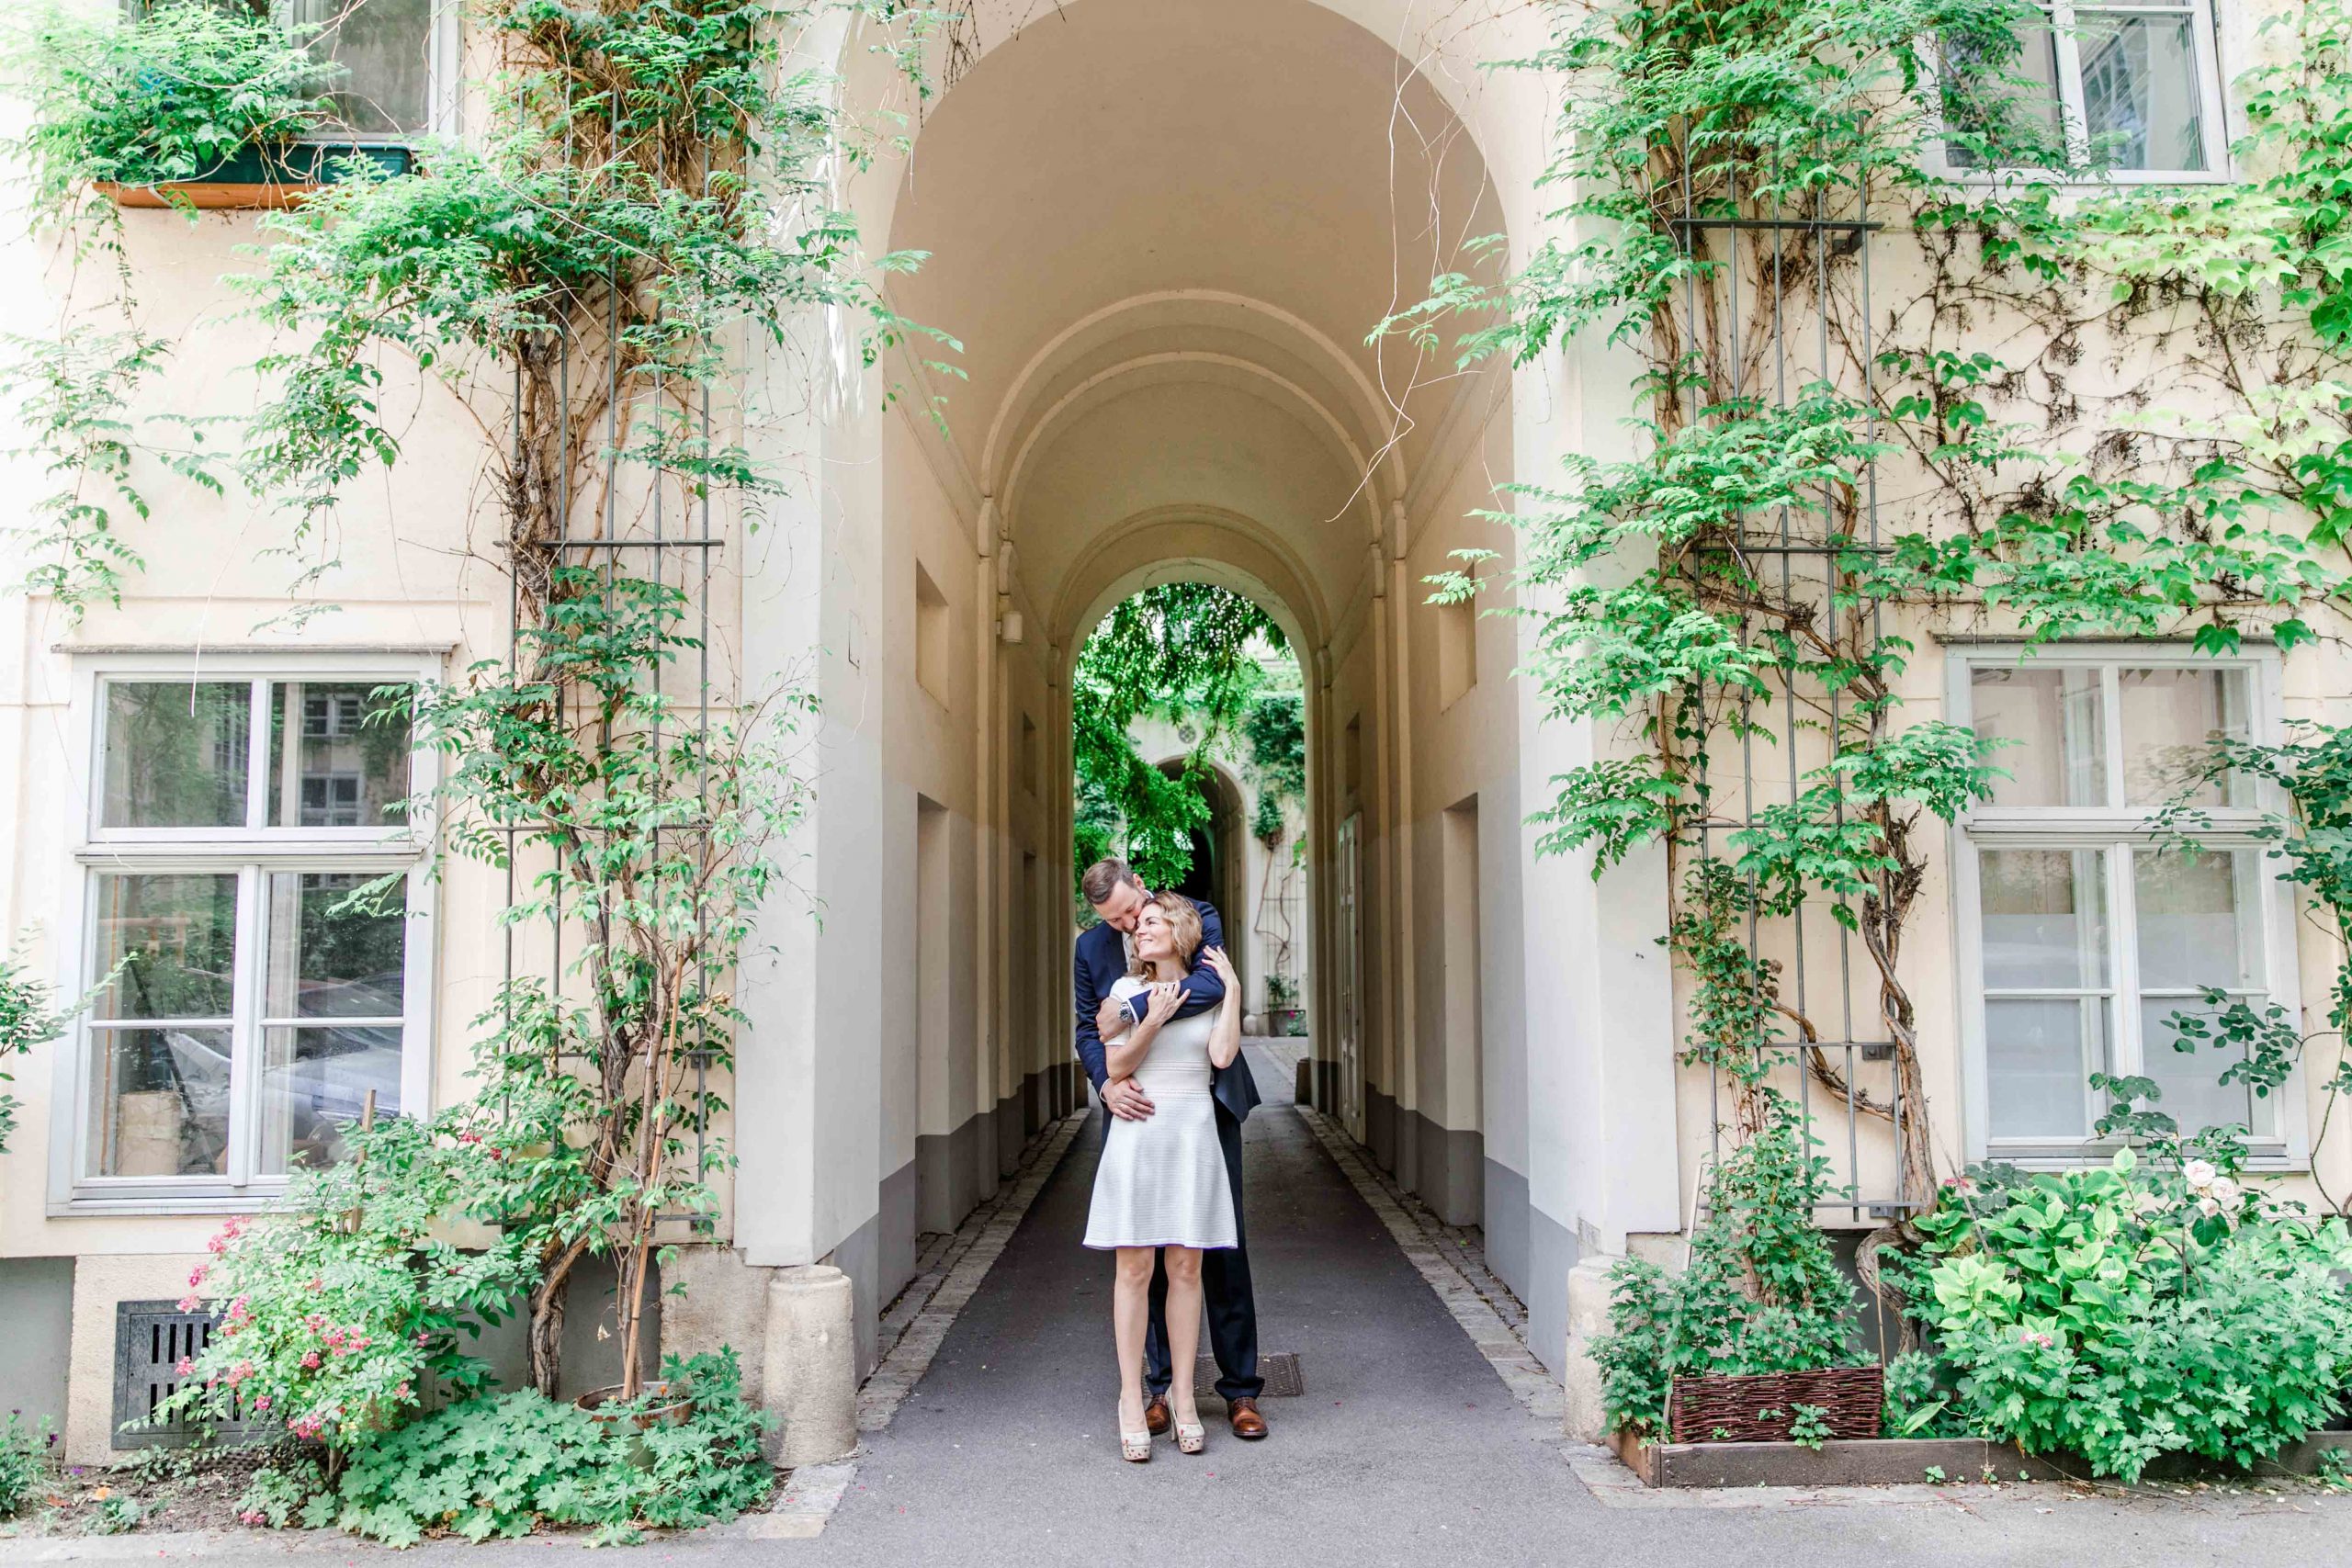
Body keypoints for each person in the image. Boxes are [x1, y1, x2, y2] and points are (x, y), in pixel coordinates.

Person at [1072, 858, 1268, 1450]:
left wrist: (1135, 1009)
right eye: (1116, 921)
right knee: (1142, 1254)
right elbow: (1088, 1027)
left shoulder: (1192, 915)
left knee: (1216, 1249)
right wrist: (1106, 1082)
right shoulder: (1092, 950)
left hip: (1203, 1107)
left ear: (1140, 884)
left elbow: (1211, 984)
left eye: (1133, 910)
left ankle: (1239, 1390)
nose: (1130, 925)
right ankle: (1157, 1388)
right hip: (1136, 1107)